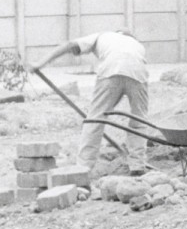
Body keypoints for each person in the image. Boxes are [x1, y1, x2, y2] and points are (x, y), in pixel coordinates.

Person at [35, 30, 150, 175]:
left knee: (94, 120)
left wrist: (40, 63)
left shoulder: (102, 35)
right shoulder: (137, 44)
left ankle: (83, 167)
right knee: (139, 121)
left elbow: (70, 45)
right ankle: (138, 165)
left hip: (110, 70)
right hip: (138, 73)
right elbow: (125, 78)